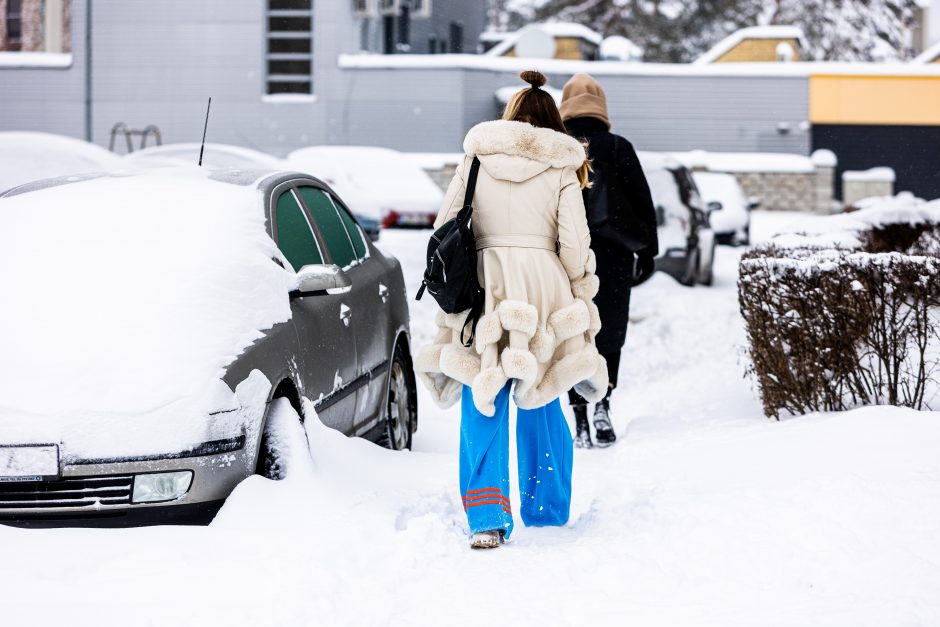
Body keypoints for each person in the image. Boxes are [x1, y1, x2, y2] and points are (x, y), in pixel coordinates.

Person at [415, 70, 608, 550]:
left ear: (510, 117)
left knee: (485, 394)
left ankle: (486, 515)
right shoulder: (563, 167)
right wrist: (578, 286)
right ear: (551, 125)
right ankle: (546, 506)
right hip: (545, 282)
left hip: (484, 282)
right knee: (542, 390)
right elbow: (574, 242)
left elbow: (446, 224)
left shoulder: (477, 158)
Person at [559, 73, 659, 449]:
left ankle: (579, 417)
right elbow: (642, 203)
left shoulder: (558, 149)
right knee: (609, 333)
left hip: (568, 257)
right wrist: (648, 251)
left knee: (573, 333)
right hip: (614, 256)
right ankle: (602, 403)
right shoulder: (619, 147)